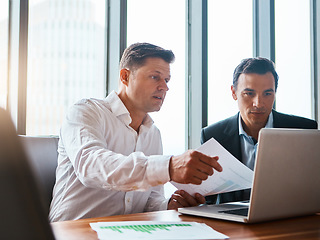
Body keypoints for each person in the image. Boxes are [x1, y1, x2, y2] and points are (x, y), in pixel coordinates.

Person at [49, 42, 222, 222]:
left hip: (124, 232)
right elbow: (92, 166)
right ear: (125, 76)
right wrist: (168, 167)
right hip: (72, 231)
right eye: (155, 77)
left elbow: (150, 201)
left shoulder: (153, 133)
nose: (165, 87)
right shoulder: (86, 111)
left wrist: (169, 205)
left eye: (167, 80)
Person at [201, 57, 318, 205]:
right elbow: (207, 200)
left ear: (275, 92)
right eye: (249, 93)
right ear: (234, 92)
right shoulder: (212, 136)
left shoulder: (304, 130)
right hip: (231, 224)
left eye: (267, 94)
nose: (258, 103)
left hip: (288, 218)